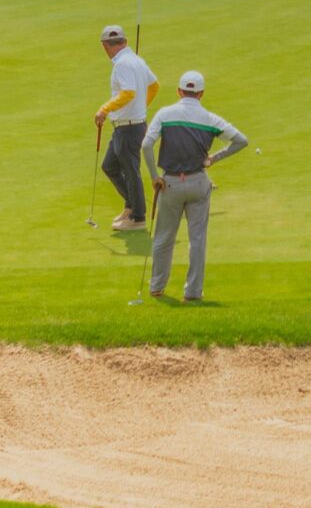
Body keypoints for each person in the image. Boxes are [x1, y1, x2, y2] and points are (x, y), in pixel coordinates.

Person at [138, 69, 250, 302]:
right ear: (201, 93)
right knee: (197, 240)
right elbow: (241, 141)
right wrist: (214, 158)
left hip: (170, 184)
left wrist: (154, 176)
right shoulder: (211, 119)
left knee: (164, 238)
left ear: (179, 91)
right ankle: (193, 292)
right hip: (198, 182)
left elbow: (146, 145)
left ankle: (157, 286)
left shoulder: (165, 114)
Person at [91, 23, 159, 230]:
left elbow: (128, 92)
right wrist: (140, 107)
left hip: (129, 127)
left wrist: (104, 109)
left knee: (130, 171)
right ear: (125, 42)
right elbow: (154, 86)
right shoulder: (137, 60)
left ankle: (138, 218)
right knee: (110, 166)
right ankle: (131, 205)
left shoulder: (122, 64)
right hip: (127, 126)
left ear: (105, 46)